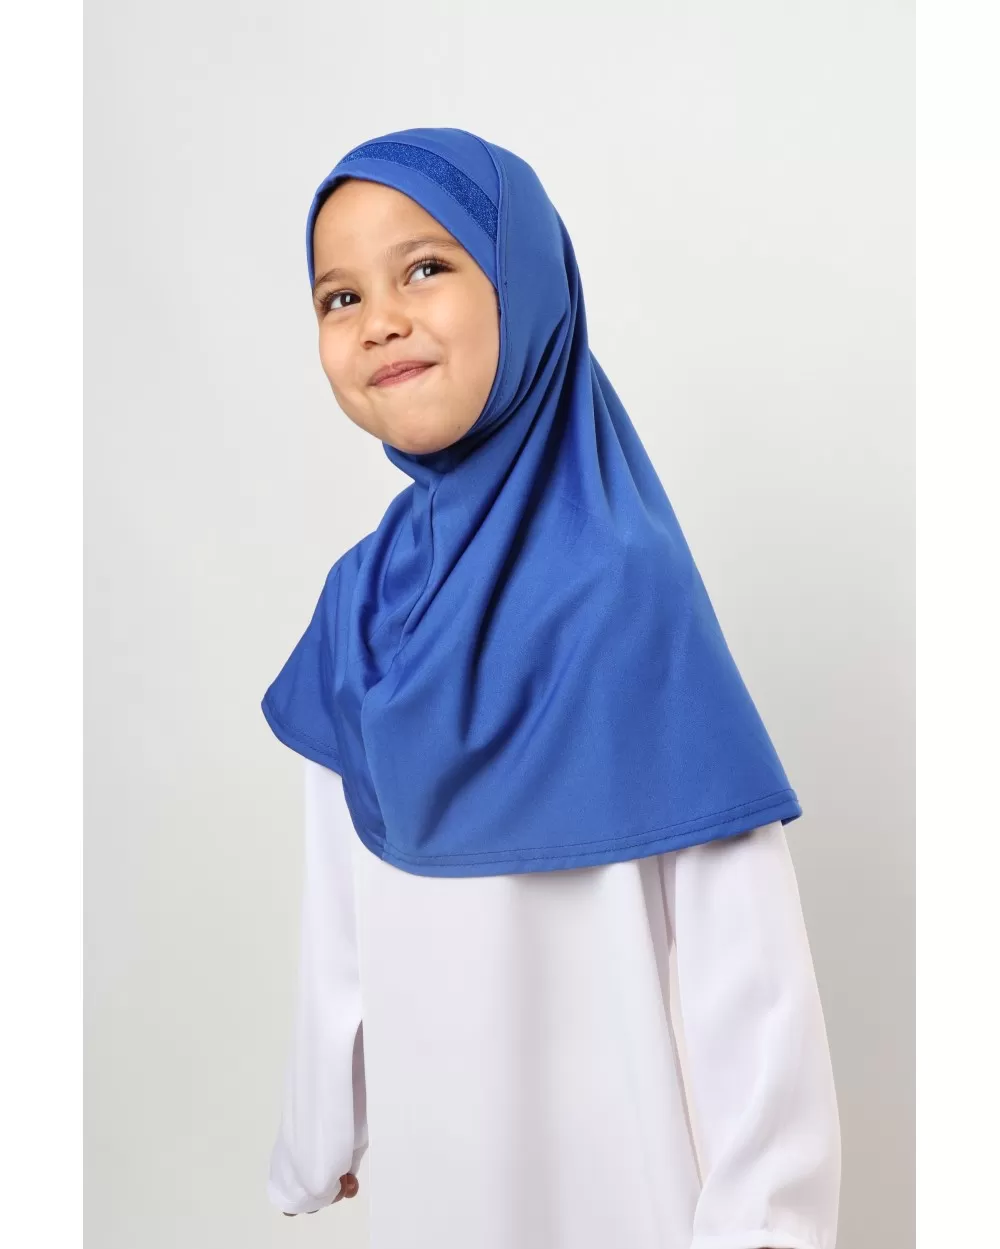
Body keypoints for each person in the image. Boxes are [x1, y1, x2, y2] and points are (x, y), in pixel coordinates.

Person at [261, 128, 841, 1249]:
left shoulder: (623, 587)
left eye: (425, 267)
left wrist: (764, 1222)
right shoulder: (360, 603)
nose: (379, 319)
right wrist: (320, 1128)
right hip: (438, 1180)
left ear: (523, 284)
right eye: (340, 296)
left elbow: (744, 972)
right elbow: (338, 906)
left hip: (622, 1195)